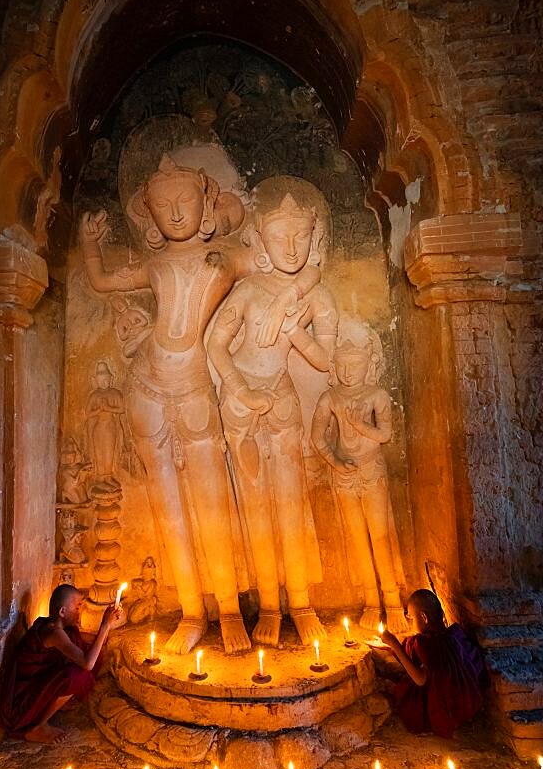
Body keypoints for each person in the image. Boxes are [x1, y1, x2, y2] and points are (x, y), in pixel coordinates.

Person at [80, 156, 320, 654]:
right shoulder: (153, 264)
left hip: (193, 384)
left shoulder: (225, 258)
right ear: (148, 214)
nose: (174, 212)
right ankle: (192, 613)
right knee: (167, 505)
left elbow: (292, 265)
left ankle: (229, 610)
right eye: (162, 205)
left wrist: (238, 219)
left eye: (185, 200)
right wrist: (88, 244)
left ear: (204, 204)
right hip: (145, 383)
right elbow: (102, 282)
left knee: (213, 504)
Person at [208, 186, 337, 647]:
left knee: (291, 501)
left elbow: (326, 360)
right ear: (260, 242)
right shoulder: (247, 291)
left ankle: (299, 602)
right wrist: (239, 389)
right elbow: (215, 345)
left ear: (312, 240)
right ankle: (267, 604)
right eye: (279, 237)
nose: (289, 247)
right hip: (241, 401)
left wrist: (295, 333)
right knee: (256, 507)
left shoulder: (314, 296)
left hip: (282, 399)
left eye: (299, 237)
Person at [311, 321, 406, 632]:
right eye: (342, 365)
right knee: (357, 538)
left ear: (368, 365)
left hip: (371, 470)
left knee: (379, 535)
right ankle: (370, 601)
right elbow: (318, 437)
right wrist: (334, 461)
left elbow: (385, 434)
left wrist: (358, 424)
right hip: (345, 474)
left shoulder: (377, 395)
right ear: (335, 367)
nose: (348, 371)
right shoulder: (330, 398)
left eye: (355, 365)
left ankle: (391, 600)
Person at [0, 584, 125, 742]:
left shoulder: (61, 628)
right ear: (62, 612)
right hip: (22, 699)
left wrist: (107, 626)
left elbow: (90, 647)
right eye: (78, 607)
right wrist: (105, 625)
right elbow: (87, 664)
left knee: (91, 650)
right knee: (79, 674)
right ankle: (39, 726)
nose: (80, 612)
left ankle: (60, 701)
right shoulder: (54, 633)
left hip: (39, 682)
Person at [379, 588, 486, 737]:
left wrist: (395, 645)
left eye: (410, 617)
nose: (410, 622)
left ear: (423, 617)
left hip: (445, 710)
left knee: (406, 690)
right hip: (467, 702)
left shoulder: (425, 643)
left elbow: (420, 680)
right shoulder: (455, 634)